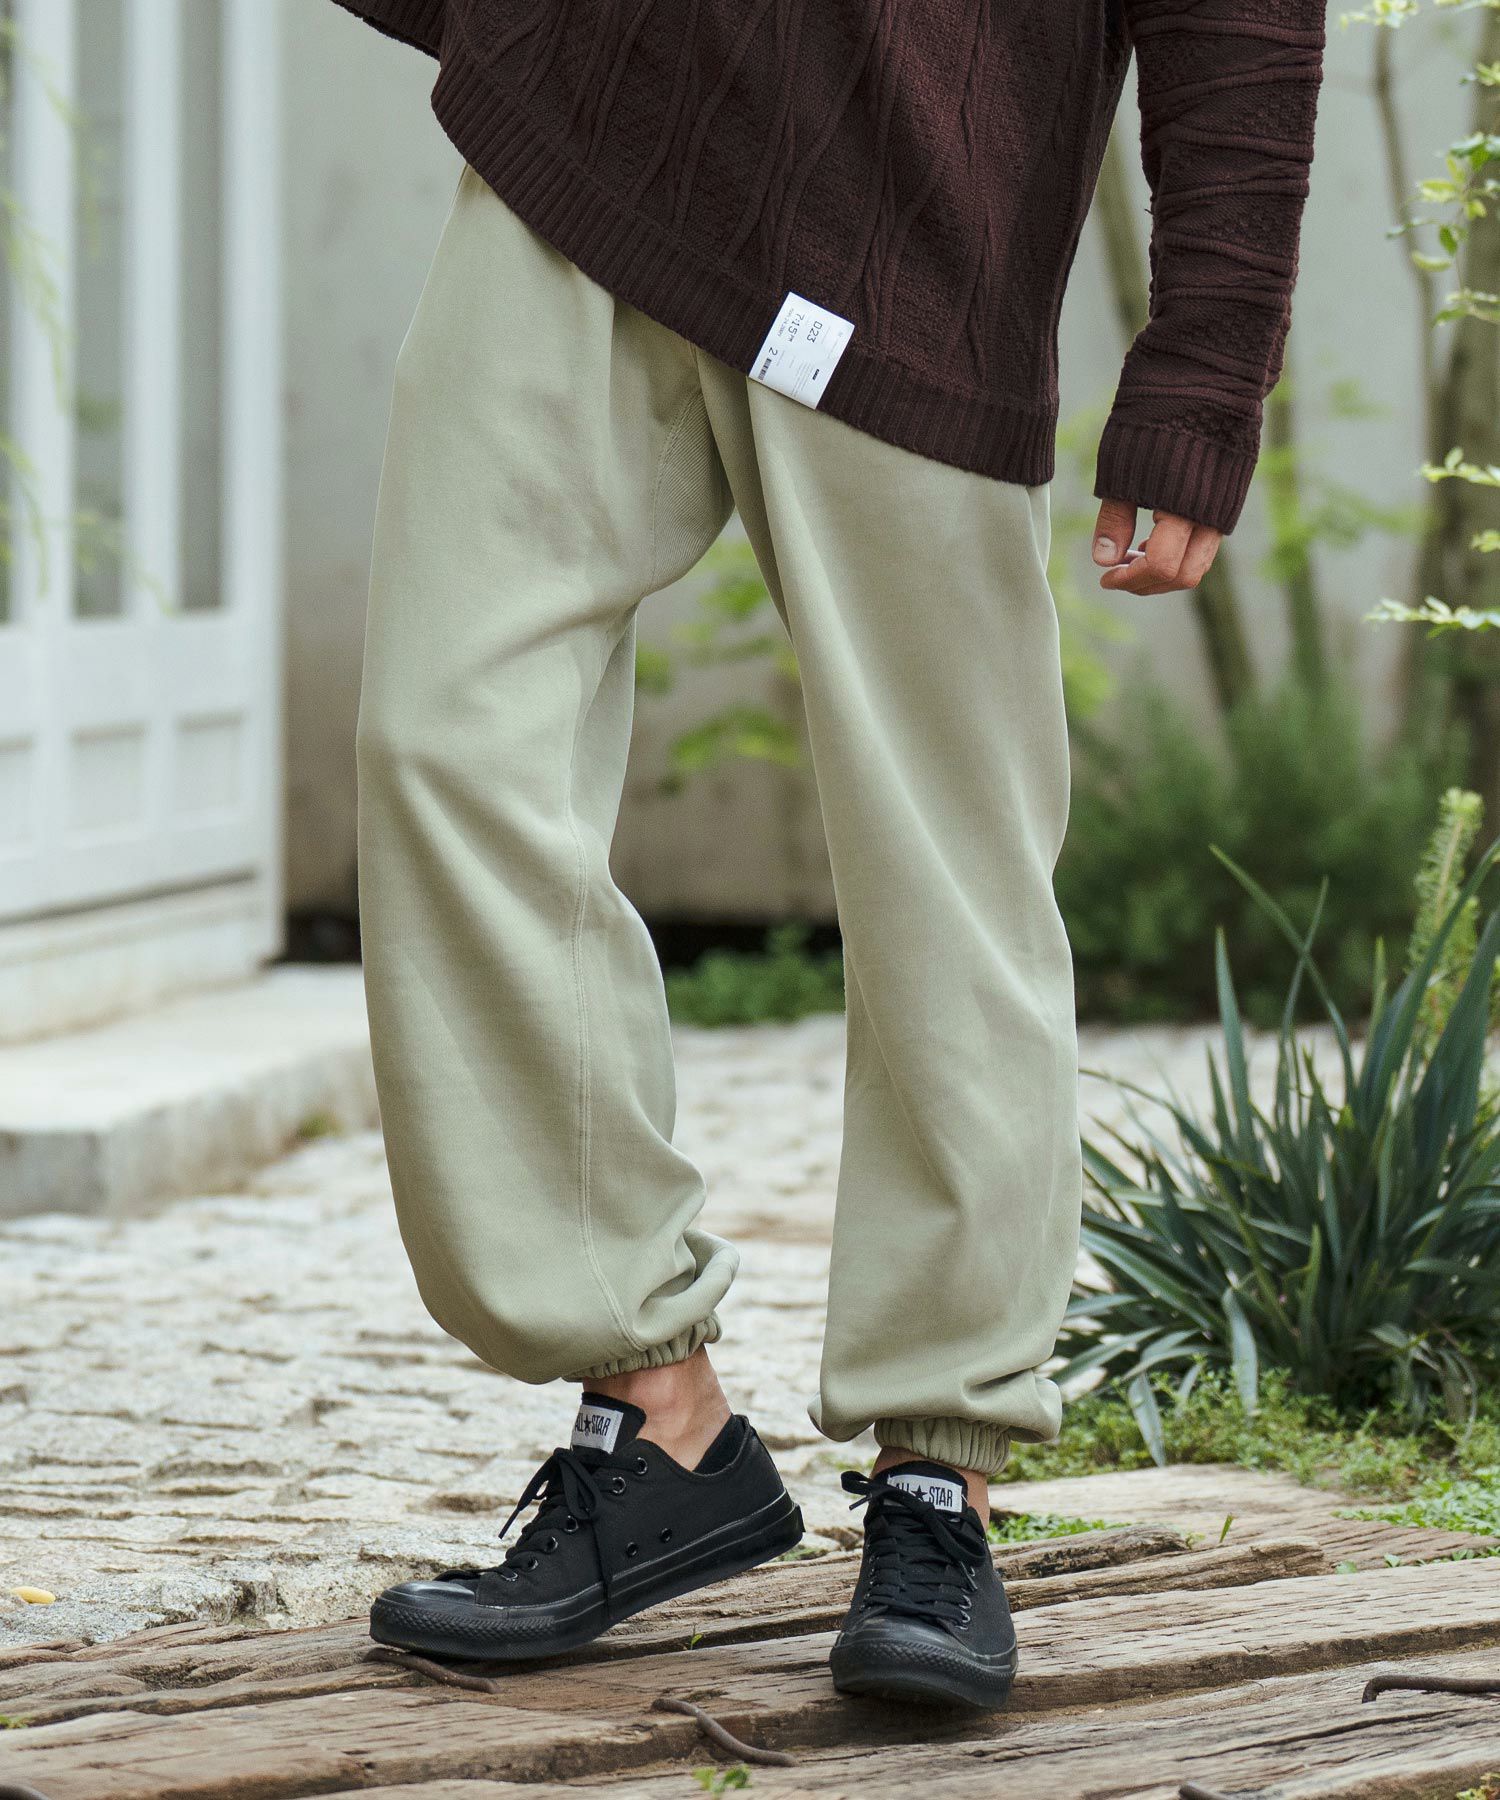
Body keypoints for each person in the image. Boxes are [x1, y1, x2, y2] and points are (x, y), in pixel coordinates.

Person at [332, 0, 1326, 1710]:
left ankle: (941, 1467)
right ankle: (655, 1414)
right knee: (443, 738)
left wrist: (1206, 365)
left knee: (947, 856)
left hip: (909, 214)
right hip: (591, 116)